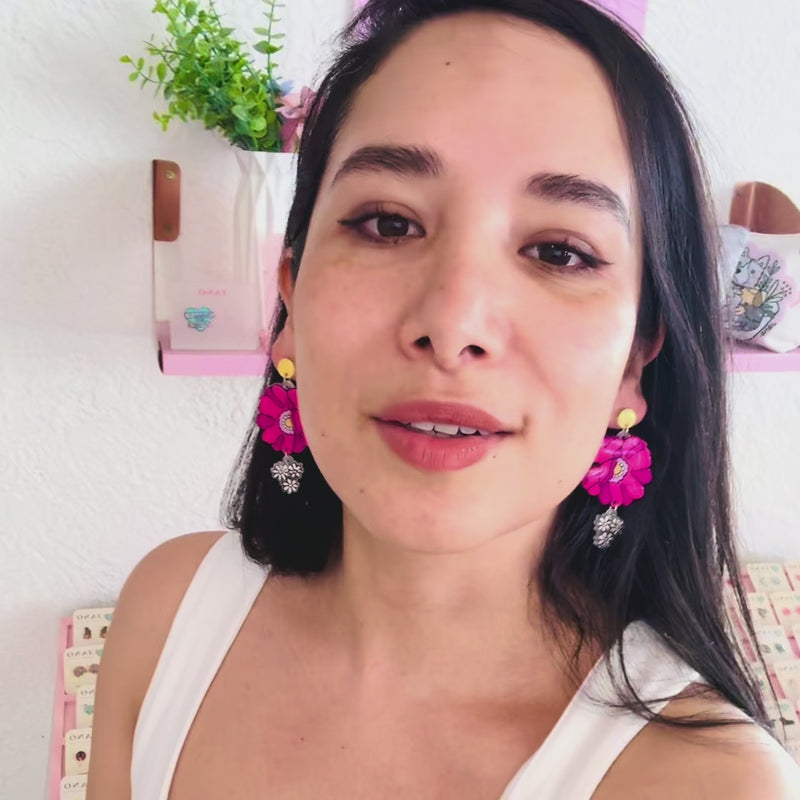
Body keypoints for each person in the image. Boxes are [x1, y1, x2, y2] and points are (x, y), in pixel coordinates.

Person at [88, 0, 800, 797]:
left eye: (559, 251)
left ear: (637, 359)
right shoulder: (166, 616)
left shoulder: (714, 785)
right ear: (289, 301)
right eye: (387, 224)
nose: (453, 324)